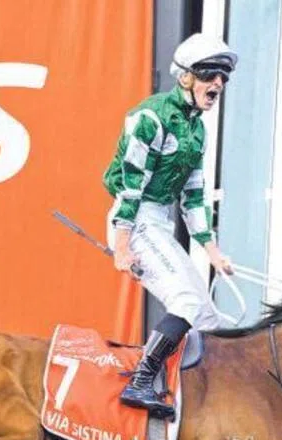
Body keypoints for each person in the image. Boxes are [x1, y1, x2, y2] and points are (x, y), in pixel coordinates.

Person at [102, 33, 237, 420]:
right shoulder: (149, 117)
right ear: (185, 77)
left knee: (207, 319)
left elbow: (193, 198)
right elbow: (130, 187)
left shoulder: (198, 131)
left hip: (159, 221)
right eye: (211, 74)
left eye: (223, 77)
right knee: (186, 303)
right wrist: (123, 247)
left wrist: (213, 253)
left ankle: (191, 398)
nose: (218, 85)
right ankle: (140, 382)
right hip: (136, 220)